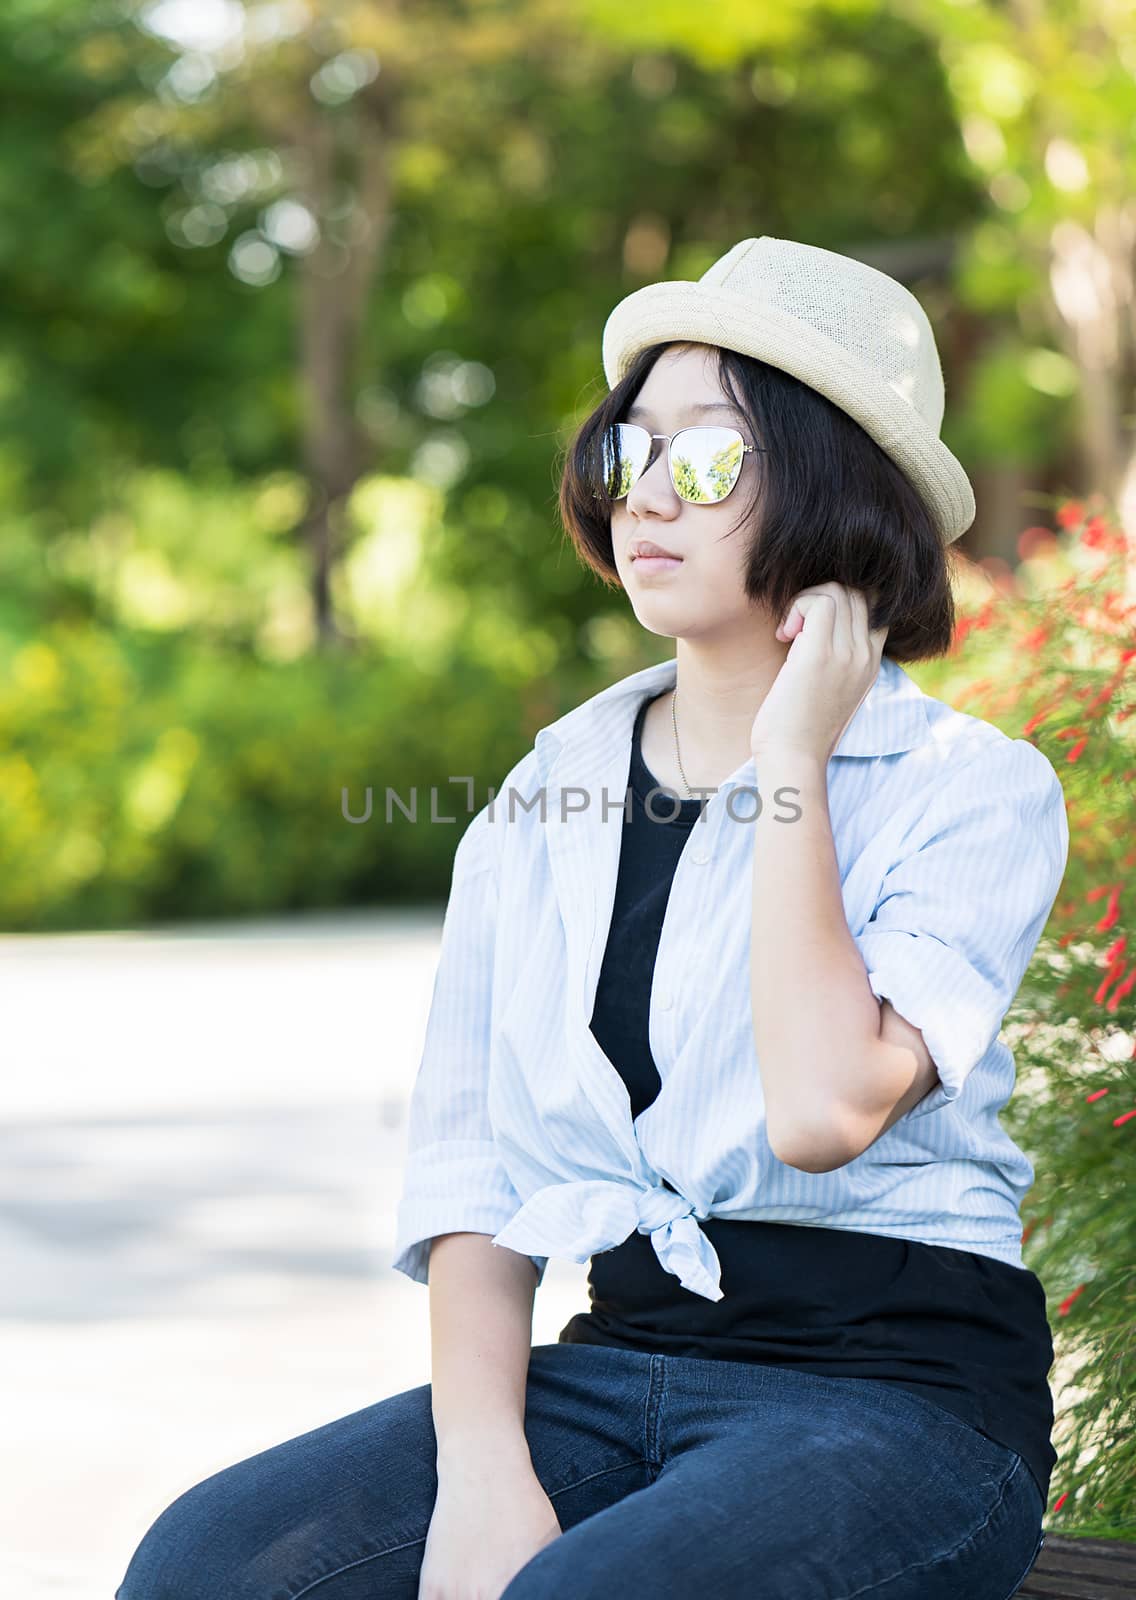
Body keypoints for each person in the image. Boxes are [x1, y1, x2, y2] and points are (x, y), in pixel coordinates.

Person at [114, 236, 1066, 1600]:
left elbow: (822, 1110)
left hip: (899, 1403)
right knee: (209, 1562)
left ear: (833, 486)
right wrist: (486, 1471)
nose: (648, 497)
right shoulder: (548, 790)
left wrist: (793, 766)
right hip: (617, 1364)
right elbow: (478, 1174)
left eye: (714, 460)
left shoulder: (967, 790)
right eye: (632, 453)